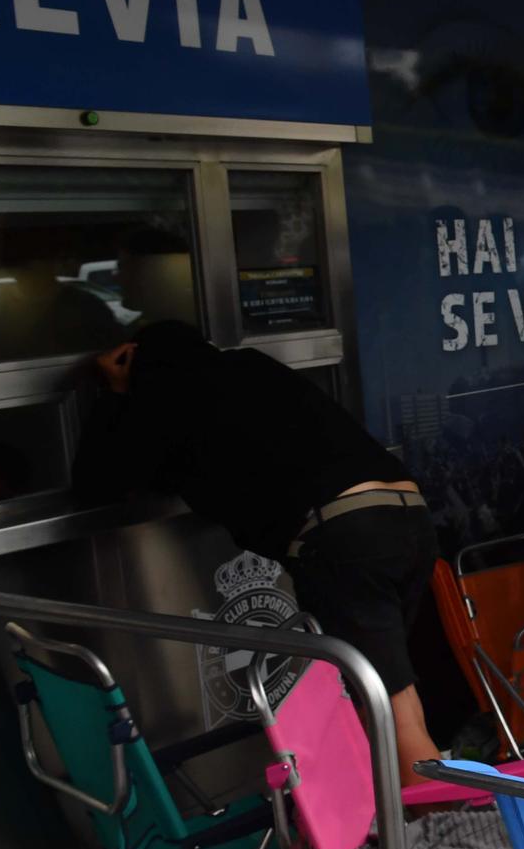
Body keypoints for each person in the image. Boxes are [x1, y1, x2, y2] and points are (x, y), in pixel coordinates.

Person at [73, 322, 443, 785]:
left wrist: (115, 389)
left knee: (388, 704)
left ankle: (436, 835)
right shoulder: (247, 367)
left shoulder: (164, 401)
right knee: (389, 692)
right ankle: (412, 817)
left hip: (344, 535)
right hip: (407, 515)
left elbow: (93, 484)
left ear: (136, 359)